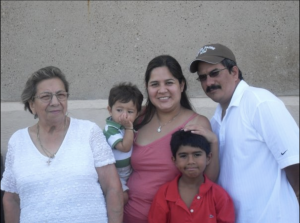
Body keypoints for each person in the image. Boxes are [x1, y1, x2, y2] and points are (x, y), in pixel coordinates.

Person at [188, 43, 299, 223]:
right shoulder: (215, 121)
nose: (208, 82)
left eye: (214, 73)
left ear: (234, 72)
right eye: (202, 77)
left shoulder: (260, 103)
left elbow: (295, 162)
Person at [1, 66, 123, 223]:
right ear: (32, 104)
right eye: (46, 96)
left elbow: (112, 188)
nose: (55, 102)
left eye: (61, 95)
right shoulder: (17, 142)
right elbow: (11, 199)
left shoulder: (88, 132)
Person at [123, 55, 220, 223]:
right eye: (155, 84)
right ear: (147, 87)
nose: (162, 90)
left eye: (169, 82)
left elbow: (208, 181)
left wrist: (214, 143)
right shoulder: (138, 118)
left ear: (181, 85)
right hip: (129, 216)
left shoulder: (197, 123)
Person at [148, 130, 235, 223]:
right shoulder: (164, 194)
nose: (190, 161)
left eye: (197, 155)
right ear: (174, 160)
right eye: (183, 156)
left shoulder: (219, 196)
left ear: (208, 158)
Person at [103, 82, 143, 205]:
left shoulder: (126, 127)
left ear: (137, 114)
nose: (124, 115)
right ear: (110, 110)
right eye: (119, 110)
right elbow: (125, 147)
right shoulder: (110, 129)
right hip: (114, 174)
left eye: (130, 112)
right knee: (122, 197)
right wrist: (129, 128)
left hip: (128, 173)